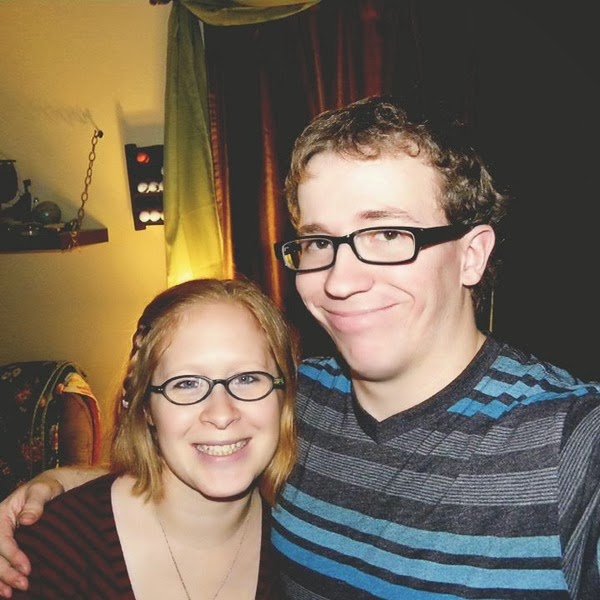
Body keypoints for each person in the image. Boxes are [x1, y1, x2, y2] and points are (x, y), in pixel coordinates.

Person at [1, 95, 600, 599]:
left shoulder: (571, 443)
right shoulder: (295, 397)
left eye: (388, 233)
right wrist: (58, 485)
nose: (339, 280)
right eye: (318, 242)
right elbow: (199, 446)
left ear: (472, 255)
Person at [5, 277, 299, 599]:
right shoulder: (51, 553)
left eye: (247, 378)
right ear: (144, 406)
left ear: (285, 395)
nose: (221, 414)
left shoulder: (305, 536)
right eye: (186, 383)